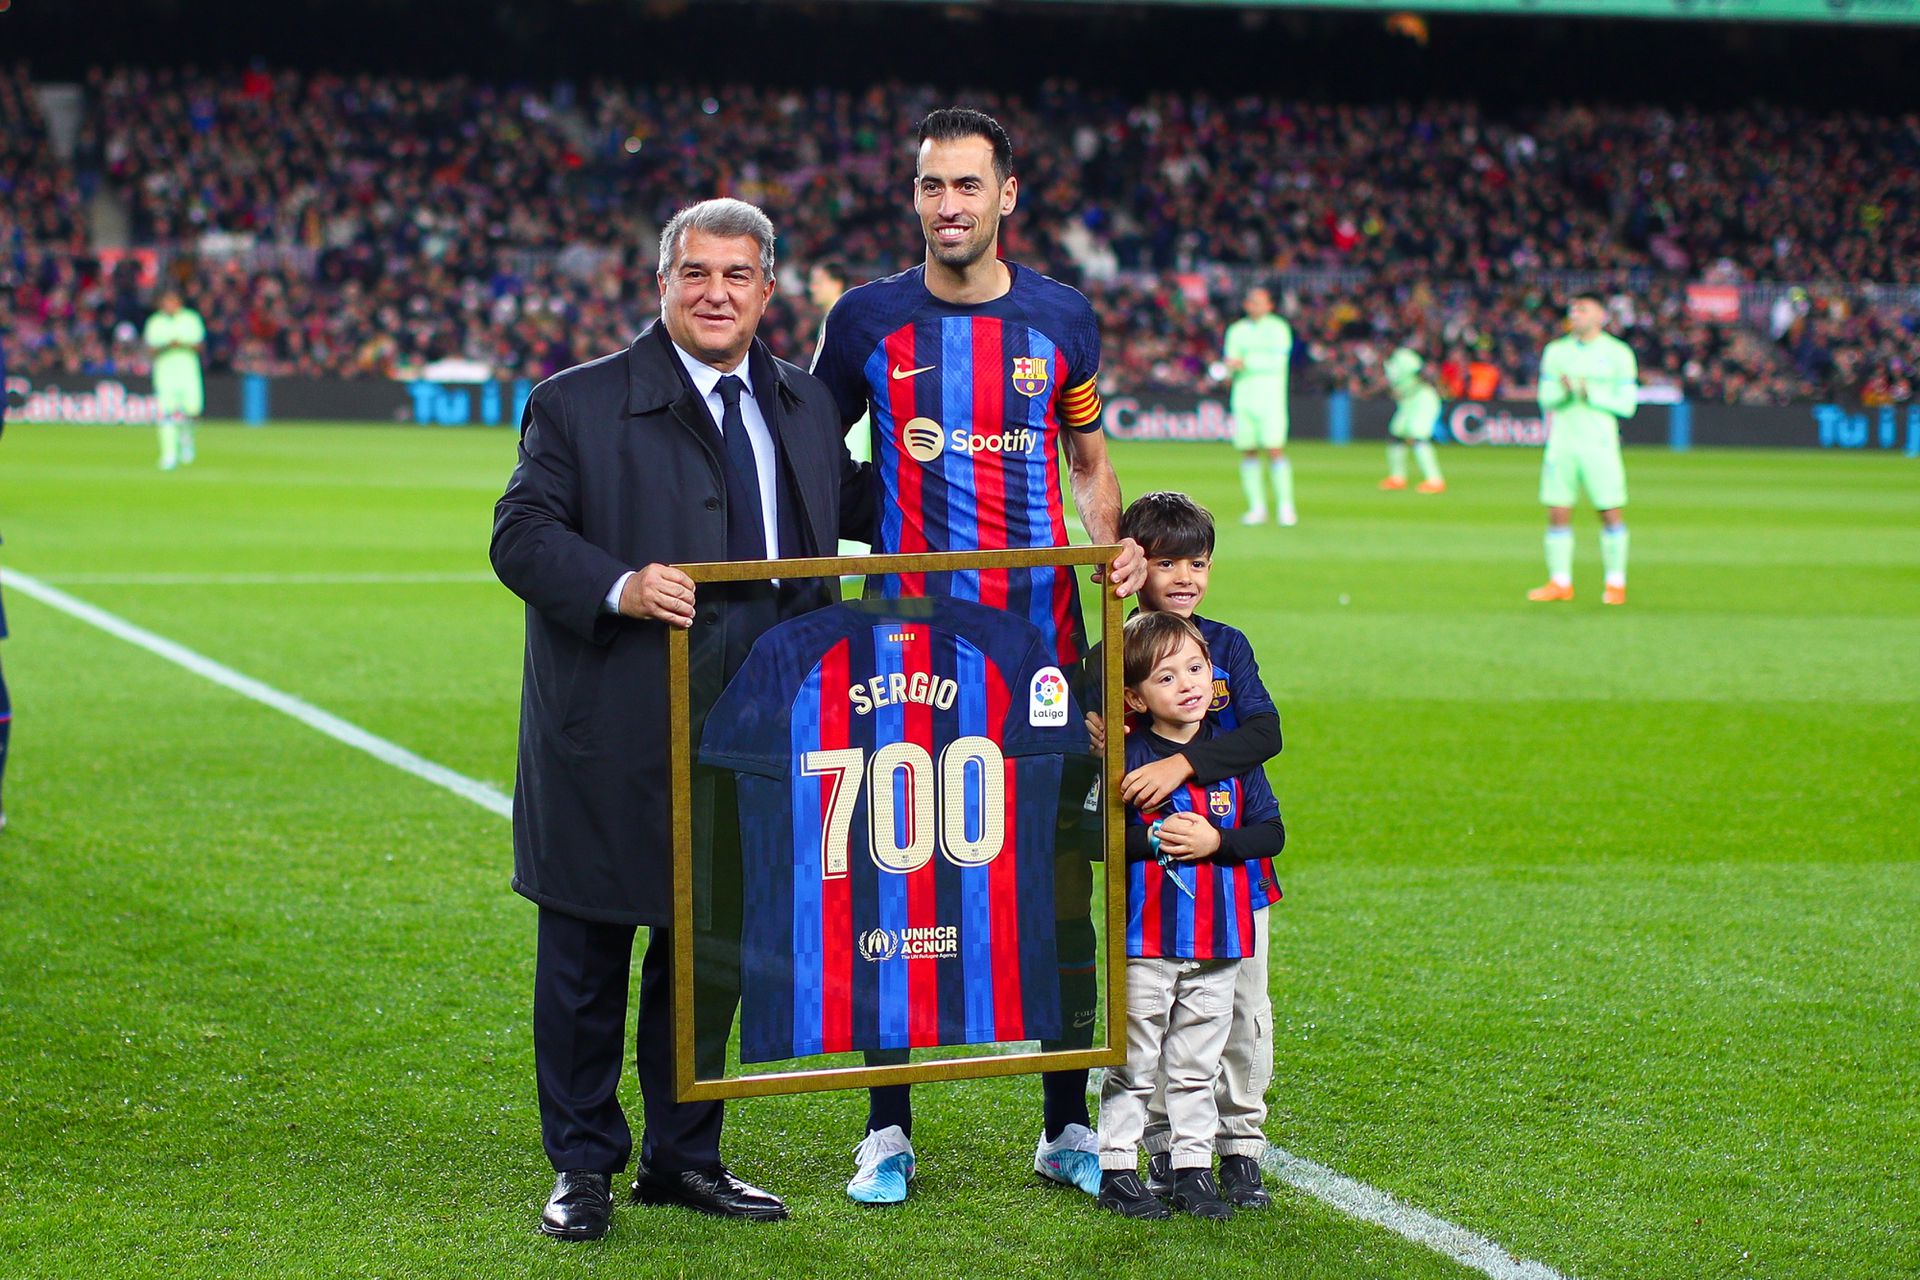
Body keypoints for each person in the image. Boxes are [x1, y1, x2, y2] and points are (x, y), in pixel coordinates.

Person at [491, 197, 876, 1240]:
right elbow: (520, 535)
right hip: (610, 728)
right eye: (695, 273)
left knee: (710, 957)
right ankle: (581, 1166)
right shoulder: (576, 402)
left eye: (737, 275)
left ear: (767, 289)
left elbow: (865, 509)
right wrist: (619, 582)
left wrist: (1045, 507)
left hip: (756, 728)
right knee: (584, 960)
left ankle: (686, 1155)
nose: (715, 292)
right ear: (661, 282)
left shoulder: (800, 405)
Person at [811, 106, 1146, 1205]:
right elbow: (816, 456)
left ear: (1009, 194)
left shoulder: (1064, 318)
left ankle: (1061, 1123)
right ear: (912, 197)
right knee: (897, 881)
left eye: (966, 186)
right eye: (928, 186)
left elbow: (1089, 457)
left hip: (1041, 653)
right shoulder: (864, 322)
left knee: (1052, 887)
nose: (947, 205)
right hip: (901, 653)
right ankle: (886, 1128)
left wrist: (1108, 560)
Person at [1110, 491, 1282, 1209]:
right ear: (1130, 563)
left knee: (1241, 1014)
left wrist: (1183, 766)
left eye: (1198, 562)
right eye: (1166, 561)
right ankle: (1163, 1155)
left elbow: (1263, 734)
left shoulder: (1225, 645)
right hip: (1153, 883)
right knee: (1149, 1025)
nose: (1184, 576)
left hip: (1235, 866)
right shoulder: (1114, 648)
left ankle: (1240, 1148)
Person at [1528, 292, 1638, 605]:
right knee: (1558, 511)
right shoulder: (1556, 351)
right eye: (1573, 310)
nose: (1575, 314)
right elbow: (1545, 398)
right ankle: (1560, 582)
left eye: (1583, 309)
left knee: (1610, 511)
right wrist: (1564, 393)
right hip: (1562, 443)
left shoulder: (1618, 354)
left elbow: (1627, 405)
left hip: (1600, 445)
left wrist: (1591, 394)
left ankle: (1616, 582)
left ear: (1600, 316)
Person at [808, 258, 871, 554]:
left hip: (854, 439)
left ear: (835, 283)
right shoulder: (839, 318)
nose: (812, 289)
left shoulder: (845, 318)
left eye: (818, 282)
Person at [1222, 286, 1295, 526]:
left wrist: (1246, 361)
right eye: (1251, 301)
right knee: (1249, 450)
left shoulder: (1279, 328)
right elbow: (1230, 361)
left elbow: (1277, 362)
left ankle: (1285, 506)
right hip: (1244, 398)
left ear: (1269, 305)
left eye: (1259, 301)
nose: (1255, 305)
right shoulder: (1237, 330)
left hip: (1271, 398)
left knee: (1275, 449)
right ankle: (1257, 508)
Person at [142, 291, 205, 471]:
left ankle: (186, 438)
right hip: (165, 375)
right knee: (166, 414)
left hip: (188, 373)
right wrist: (167, 345)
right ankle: (168, 454)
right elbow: (150, 349)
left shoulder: (191, 319)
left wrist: (182, 343)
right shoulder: (155, 322)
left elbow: (199, 345)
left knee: (193, 411)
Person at [1378, 347, 1445, 494]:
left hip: (1422, 398)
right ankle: (1397, 479)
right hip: (1407, 402)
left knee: (1418, 437)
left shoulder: (1403, 356)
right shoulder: (1388, 364)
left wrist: (1437, 386)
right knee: (1396, 435)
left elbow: (1423, 372)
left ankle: (1435, 480)